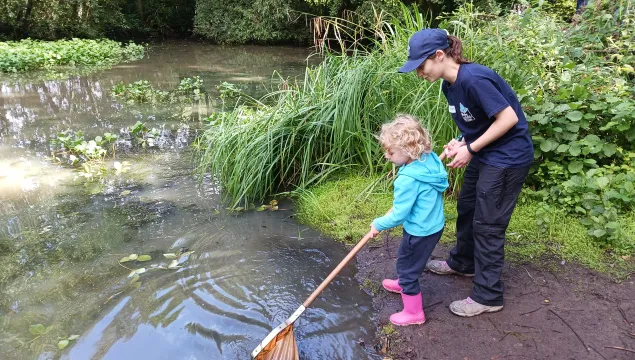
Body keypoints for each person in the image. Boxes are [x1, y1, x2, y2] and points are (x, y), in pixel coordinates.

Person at [398, 29, 534, 317]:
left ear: (439, 55)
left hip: (508, 157)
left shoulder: (474, 79)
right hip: (486, 152)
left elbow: (508, 118)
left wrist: (470, 149)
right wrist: (461, 141)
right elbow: (479, 121)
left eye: (421, 65)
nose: (419, 73)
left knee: (488, 224)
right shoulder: (449, 85)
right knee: (468, 207)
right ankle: (463, 263)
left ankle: (488, 295)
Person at [367, 114, 449, 326]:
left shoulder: (407, 179)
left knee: (408, 267)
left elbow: (399, 214)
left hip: (420, 230)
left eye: (391, 151)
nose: (387, 156)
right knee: (408, 256)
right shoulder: (428, 159)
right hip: (433, 225)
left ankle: (414, 313)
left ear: (408, 149)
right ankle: (403, 282)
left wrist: (378, 223)